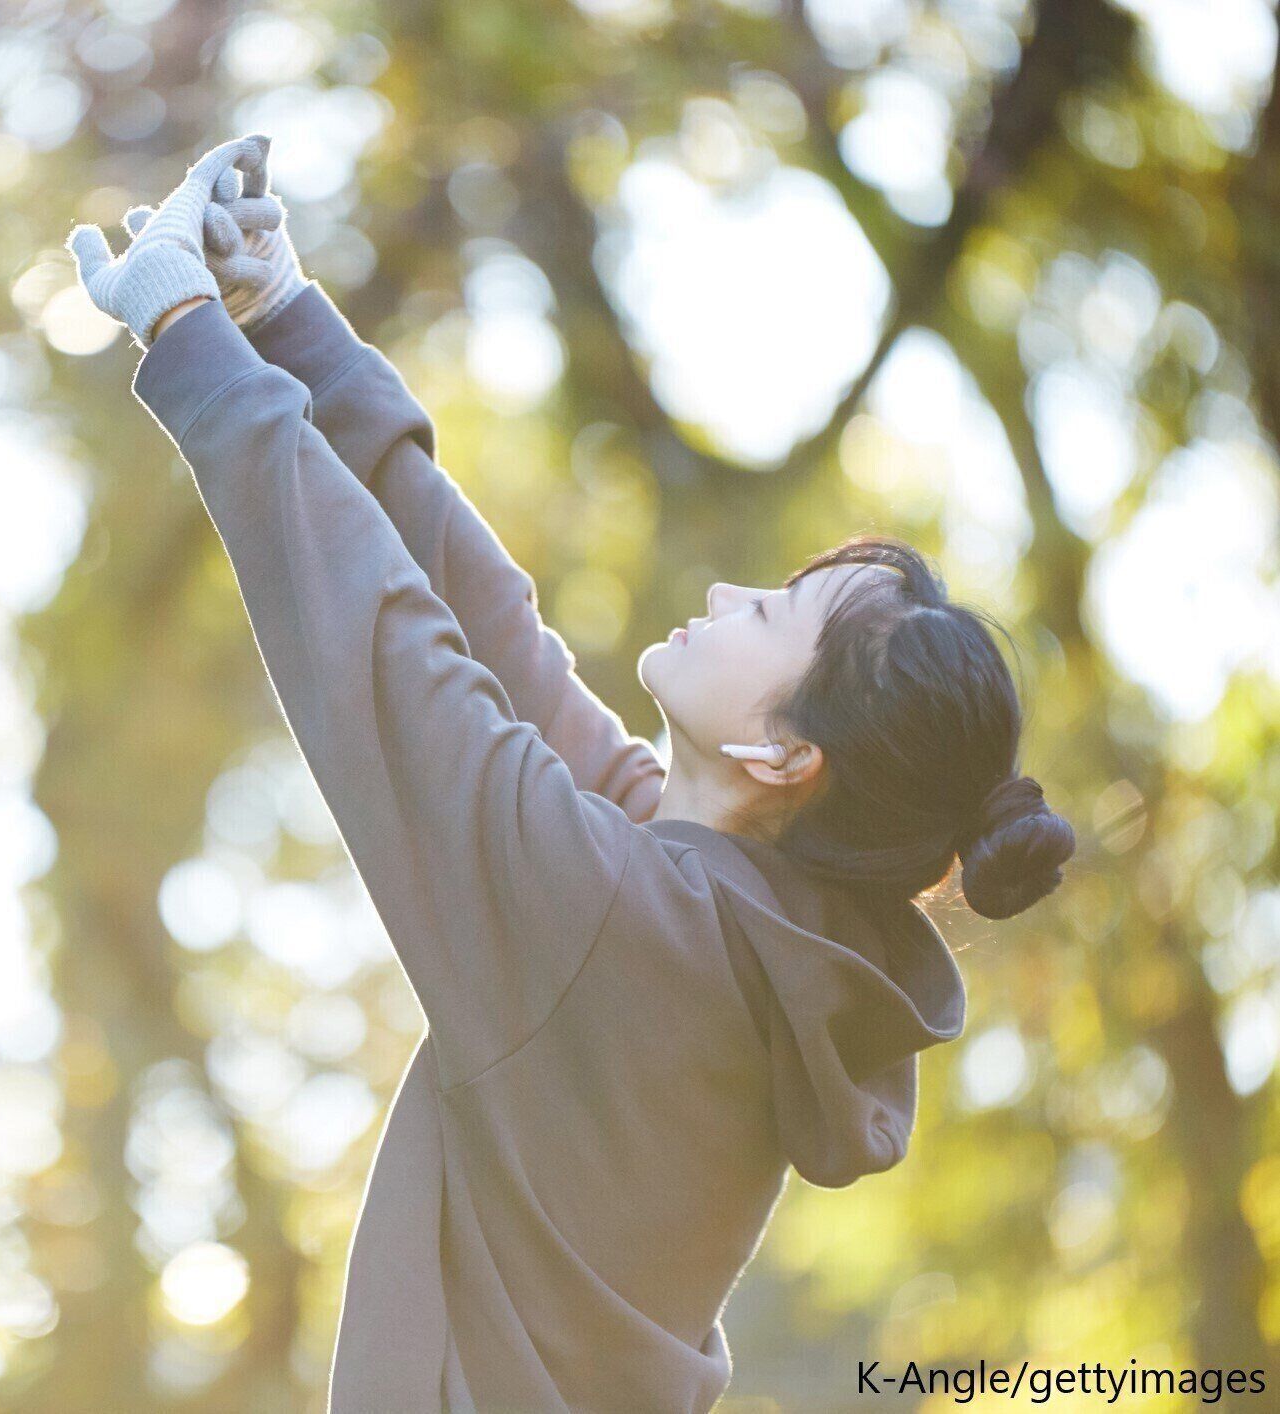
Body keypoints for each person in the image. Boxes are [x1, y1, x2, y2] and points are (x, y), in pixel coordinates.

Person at [65, 136, 1077, 1414]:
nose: (728, 594)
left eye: (771, 611)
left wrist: (193, 338)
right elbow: (492, 641)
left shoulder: (622, 917)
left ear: (783, 754)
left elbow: (392, 661)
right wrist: (286, 321)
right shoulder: (736, 929)